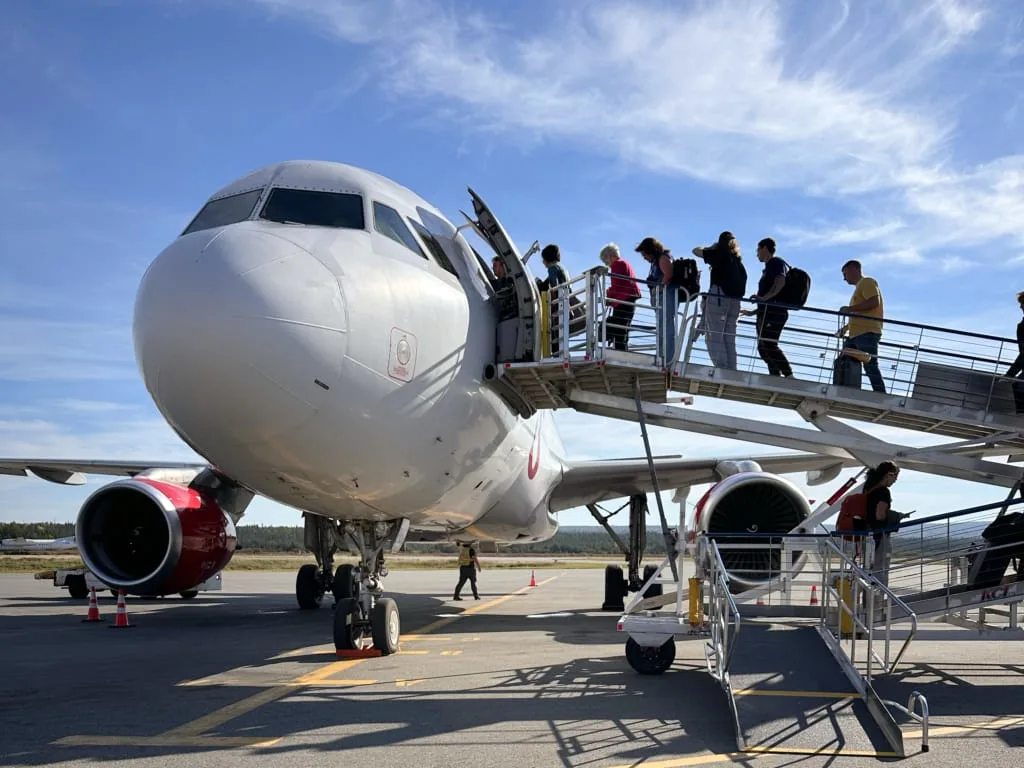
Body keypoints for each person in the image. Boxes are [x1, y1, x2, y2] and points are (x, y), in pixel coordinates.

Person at [740, 237, 793, 378]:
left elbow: (780, 281)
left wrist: (764, 298)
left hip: (775, 312)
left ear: (764, 248)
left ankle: (788, 374)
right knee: (763, 347)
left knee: (768, 344)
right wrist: (753, 312)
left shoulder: (776, 263)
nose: (757, 253)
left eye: (758, 250)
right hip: (765, 312)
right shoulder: (769, 267)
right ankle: (775, 374)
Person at [693, 231, 746, 370]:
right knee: (729, 339)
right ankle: (732, 369)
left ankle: (722, 367)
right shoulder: (738, 262)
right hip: (735, 303)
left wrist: (711, 247)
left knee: (714, 335)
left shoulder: (719, 254)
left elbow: (696, 250)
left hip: (719, 298)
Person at [837, 260, 886, 393]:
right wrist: (845, 329)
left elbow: (874, 302)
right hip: (857, 334)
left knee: (870, 365)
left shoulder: (867, 282)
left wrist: (850, 309)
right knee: (845, 357)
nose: (844, 278)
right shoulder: (860, 287)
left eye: (845, 274)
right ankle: (846, 389)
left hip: (867, 333)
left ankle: (880, 394)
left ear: (855, 270)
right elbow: (859, 312)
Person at [634, 237, 677, 363]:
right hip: (661, 297)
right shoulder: (656, 260)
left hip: (665, 296)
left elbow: (668, 274)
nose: (644, 257)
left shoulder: (662, 258)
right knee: (662, 327)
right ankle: (662, 356)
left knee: (666, 327)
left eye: (644, 254)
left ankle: (667, 358)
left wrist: (659, 288)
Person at [864, 461, 902, 589]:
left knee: (867, 569)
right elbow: (879, 515)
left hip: (866, 533)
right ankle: (878, 601)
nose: (895, 480)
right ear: (889, 475)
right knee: (881, 569)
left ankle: (866, 601)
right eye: (895, 477)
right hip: (879, 535)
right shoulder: (883, 492)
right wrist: (894, 517)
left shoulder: (869, 488)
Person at [599, 243, 641, 351]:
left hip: (623, 299)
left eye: (605, 261)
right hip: (629, 297)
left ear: (609, 256)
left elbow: (617, 285)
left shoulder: (617, 265)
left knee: (620, 328)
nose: (607, 264)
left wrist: (608, 295)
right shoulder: (624, 263)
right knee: (623, 328)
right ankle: (622, 349)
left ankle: (620, 349)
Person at [1003, 291, 1024, 414]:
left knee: (1018, 387)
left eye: (1022, 304)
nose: (1020, 307)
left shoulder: (1022, 327)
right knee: (1017, 386)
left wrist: (1009, 375)